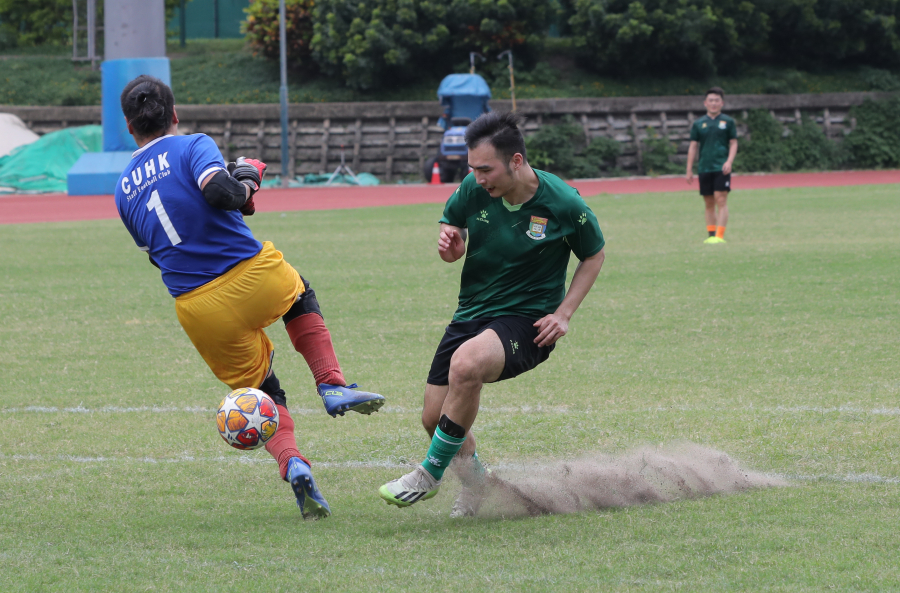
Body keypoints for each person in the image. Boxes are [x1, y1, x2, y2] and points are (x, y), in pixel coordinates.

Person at [114, 75, 385, 520]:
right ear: (175, 114)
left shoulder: (123, 188)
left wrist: (235, 193)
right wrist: (248, 183)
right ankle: (331, 383)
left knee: (264, 391)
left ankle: (293, 463)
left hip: (197, 307)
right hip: (251, 275)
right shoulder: (193, 144)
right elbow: (219, 193)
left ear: (129, 127)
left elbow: (158, 253)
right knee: (299, 295)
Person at [378, 111, 605, 516]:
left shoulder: (563, 202)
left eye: (486, 169)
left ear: (516, 161)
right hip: (473, 311)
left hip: (528, 319)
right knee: (434, 418)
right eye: (473, 169)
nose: (478, 178)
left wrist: (564, 313)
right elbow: (454, 236)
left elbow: (594, 254)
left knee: (467, 365)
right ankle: (478, 486)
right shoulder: (473, 188)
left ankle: (428, 474)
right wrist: (452, 248)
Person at [685, 87, 738, 244]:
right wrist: (689, 169)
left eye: (716, 100)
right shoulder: (698, 123)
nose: (713, 103)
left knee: (721, 200)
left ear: (722, 103)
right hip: (704, 167)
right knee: (708, 202)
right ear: (705, 103)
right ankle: (711, 235)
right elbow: (693, 147)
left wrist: (729, 161)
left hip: (721, 167)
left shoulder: (728, 122)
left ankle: (719, 236)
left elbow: (734, 143)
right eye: (711, 100)